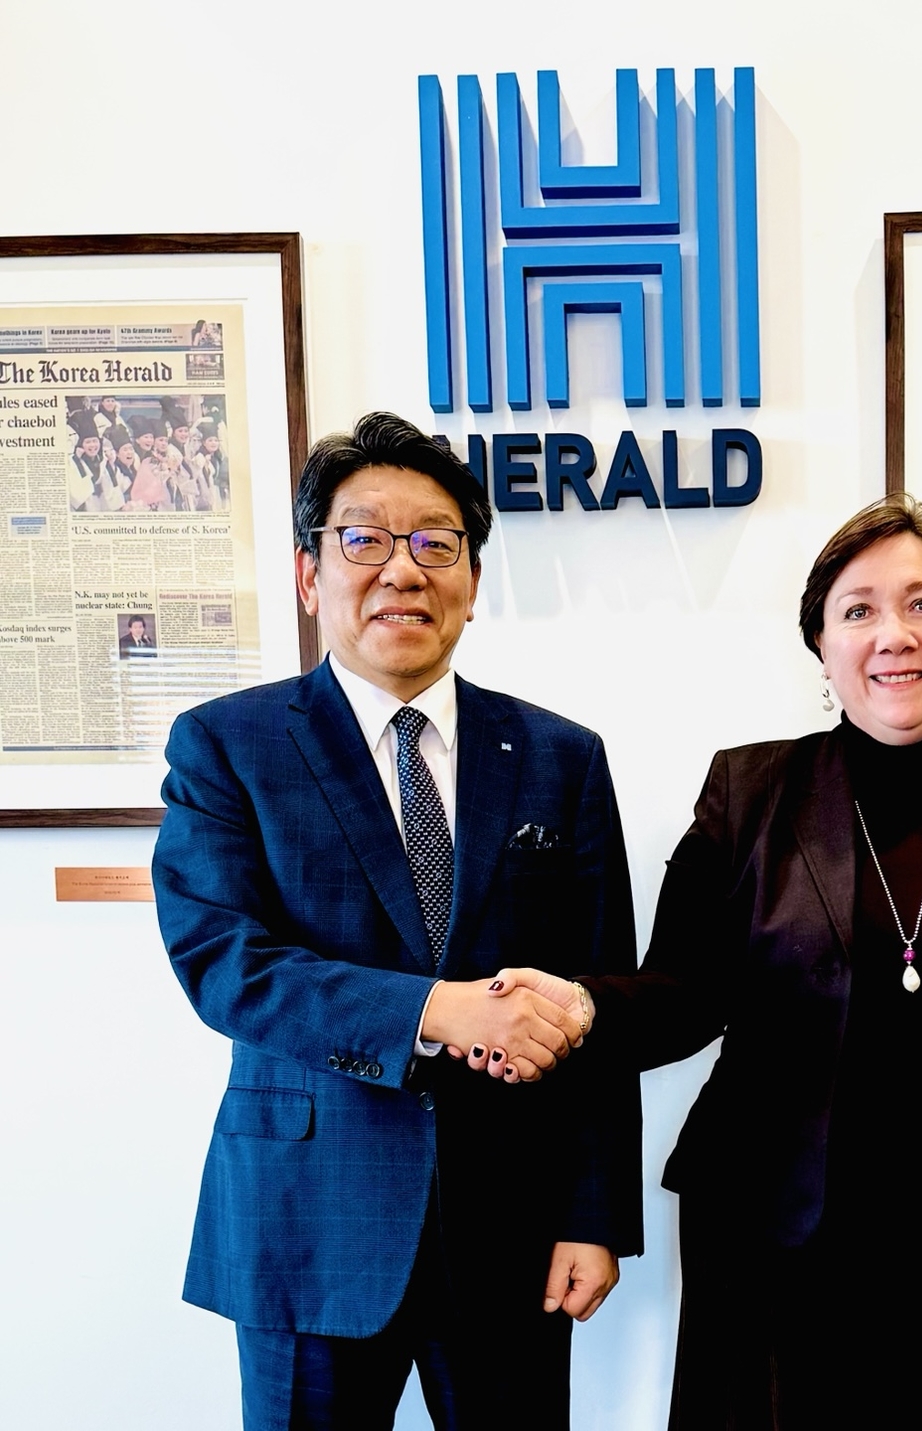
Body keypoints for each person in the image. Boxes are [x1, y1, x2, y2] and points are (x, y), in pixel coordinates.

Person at [477, 494, 922, 1429]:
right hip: (775, 1244)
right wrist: (583, 1007)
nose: (894, 635)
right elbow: (682, 992)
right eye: (859, 609)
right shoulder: (749, 791)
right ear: (823, 645)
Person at [152, 412, 641, 1430]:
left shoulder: (562, 757)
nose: (400, 570)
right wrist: (437, 1010)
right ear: (309, 574)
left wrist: (594, 1216)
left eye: (434, 543)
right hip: (308, 1217)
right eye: (363, 538)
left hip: (508, 1224)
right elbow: (227, 966)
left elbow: (600, 994)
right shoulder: (227, 746)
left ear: (469, 578)